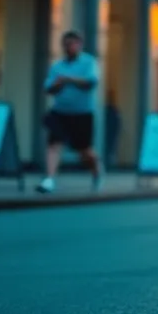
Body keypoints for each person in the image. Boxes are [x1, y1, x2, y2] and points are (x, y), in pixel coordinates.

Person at [38, 30, 102, 193]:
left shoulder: (89, 62)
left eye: (72, 44)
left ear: (79, 45)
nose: (68, 48)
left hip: (82, 113)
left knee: (84, 151)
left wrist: (68, 79)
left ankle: (96, 171)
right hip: (60, 112)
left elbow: (90, 82)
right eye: (66, 45)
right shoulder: (57, 66)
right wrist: (58, 84)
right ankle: (49, 180)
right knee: (54, 144)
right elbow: (48, 88)